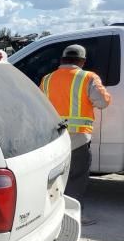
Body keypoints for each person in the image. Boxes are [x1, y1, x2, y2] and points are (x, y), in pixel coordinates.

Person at [40, 44, 111, 225]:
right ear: (82, 61)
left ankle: (48, 215)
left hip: (53, 136)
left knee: (54, 177)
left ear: (62, 59)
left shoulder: (47, 79)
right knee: (76, 178)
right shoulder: (88, 77)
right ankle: (73, 216)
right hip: (78, 137)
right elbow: (103, 102)